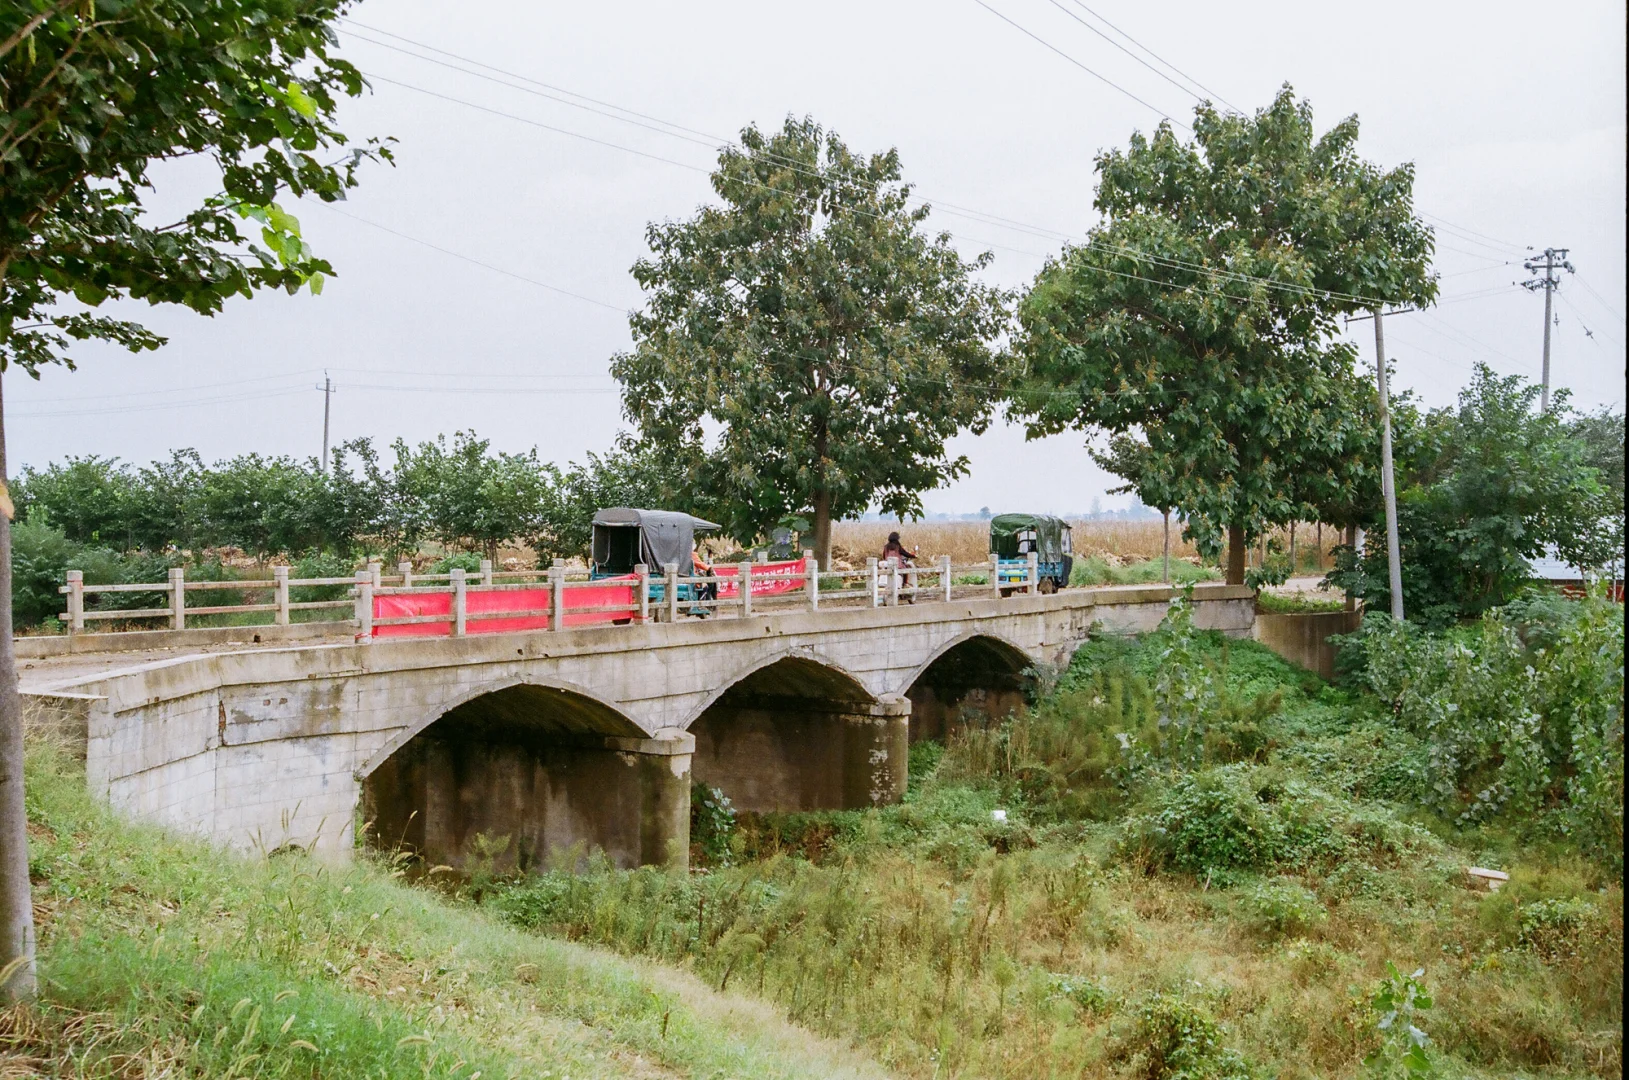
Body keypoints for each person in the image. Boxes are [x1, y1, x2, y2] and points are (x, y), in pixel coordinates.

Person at [881, 531, 919, 602]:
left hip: (888, 566)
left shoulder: (886, 547)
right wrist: (913, 556)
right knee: (905, 570)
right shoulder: (898, 547)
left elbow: (883, 556)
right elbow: (905, 554)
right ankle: (905, 583)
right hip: (898, 567)